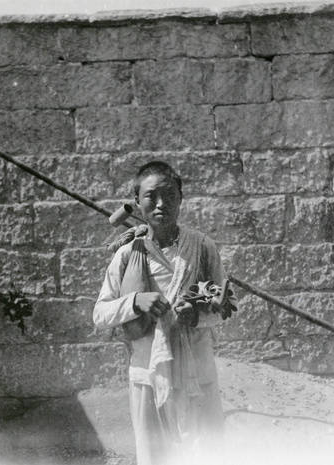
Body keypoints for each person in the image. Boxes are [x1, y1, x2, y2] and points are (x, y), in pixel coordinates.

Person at [93, 161, 238, 465]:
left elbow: (224, 303)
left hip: (198, 374)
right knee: (154, 457)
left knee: (206, 454)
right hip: (148, 374)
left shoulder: (201, 247)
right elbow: (100, 314)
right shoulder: (128, 253)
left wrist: (195, 315)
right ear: (136, 203)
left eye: (169, 195)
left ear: (181, 198)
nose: (161, 204)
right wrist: (135, 302)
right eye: (151, 196)